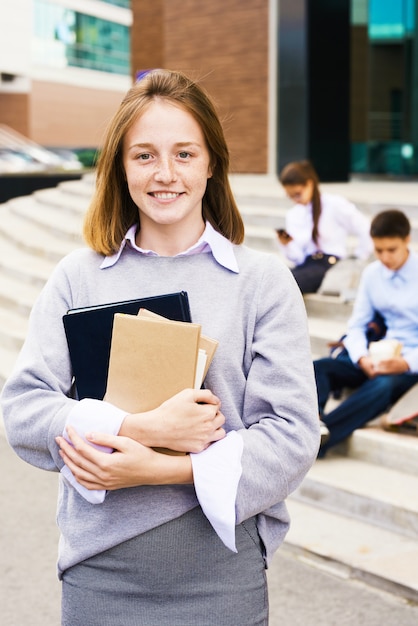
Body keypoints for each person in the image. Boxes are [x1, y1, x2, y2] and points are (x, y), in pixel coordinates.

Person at [0, 69, 320, 625]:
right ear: (121, 168)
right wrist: (137, 430)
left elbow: (291, 435)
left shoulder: (262, 281)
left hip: (223, 571)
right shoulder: (78, 277)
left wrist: (160, 468)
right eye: (144, 155)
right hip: (100, 572)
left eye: (185, 154)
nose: (165, 174)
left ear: (212, 162)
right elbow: (24, 410)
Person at [314, 209, 418, 456]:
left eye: (391, 250)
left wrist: (404, 363)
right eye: (378, 250)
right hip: (378, 353)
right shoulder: (372, 274)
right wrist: (362, 358)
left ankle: (319, 441)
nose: (384, 257)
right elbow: (357, 325)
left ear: (407, 240)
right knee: (319, 367)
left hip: (409, 362)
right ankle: (312, 422)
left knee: (381, 386)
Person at [277, 160, 373, 293]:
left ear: (310, 184)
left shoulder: (333, 204)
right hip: (306, 264)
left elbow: (364, 227)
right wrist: (287, 245)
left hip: (330, 264)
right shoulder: (294, 214)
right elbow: (298, 258)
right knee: (275, 279)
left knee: (287, 284)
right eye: (290, 196)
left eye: (297, 194)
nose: (295, 200)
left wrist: (360, 256)